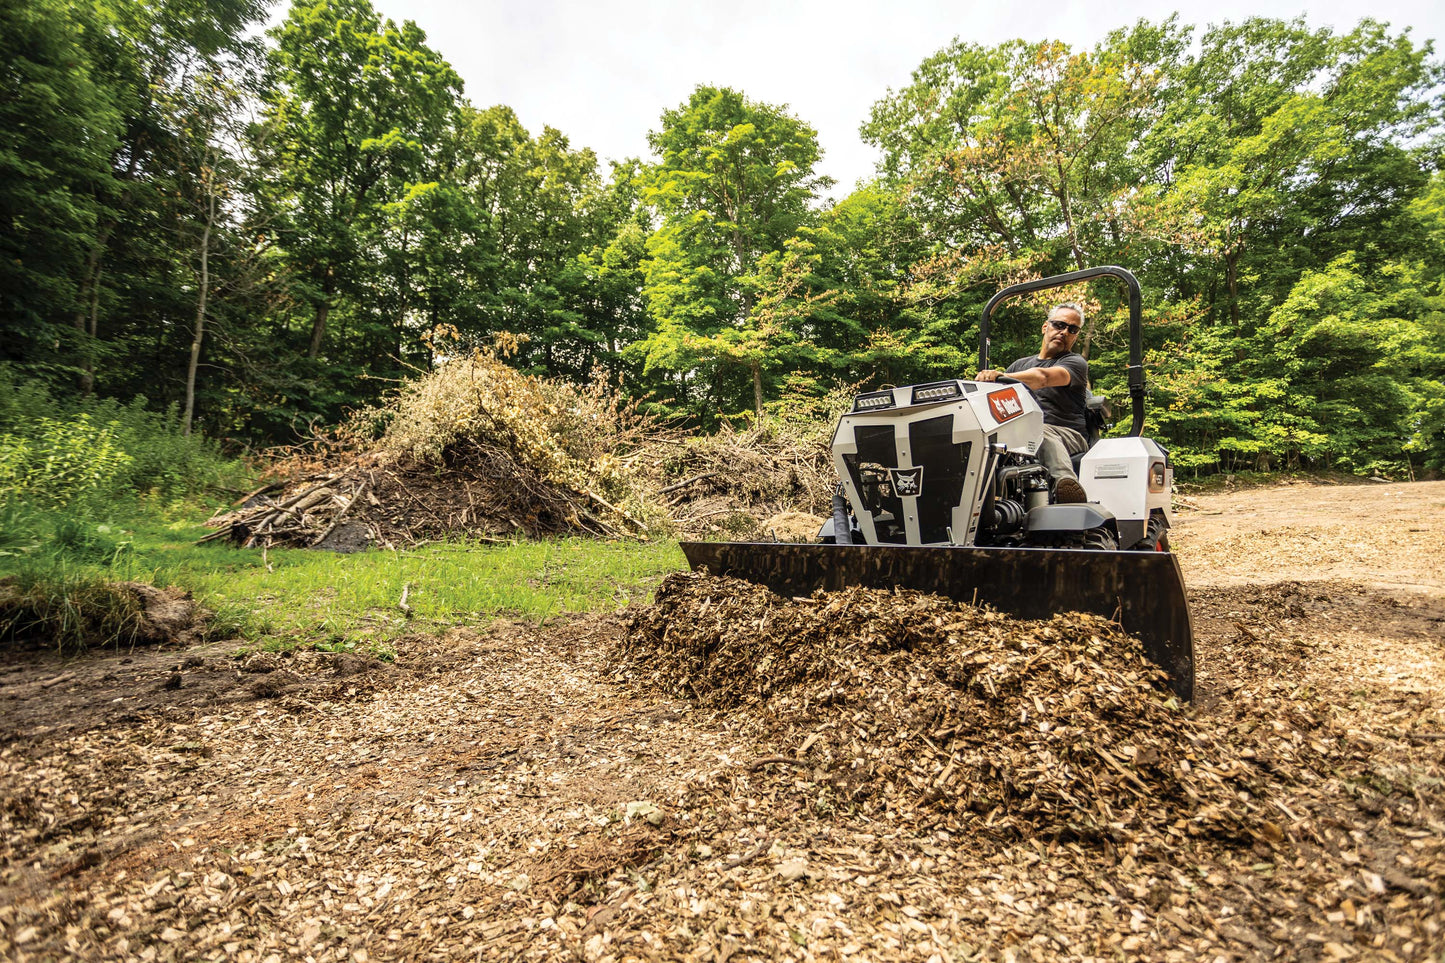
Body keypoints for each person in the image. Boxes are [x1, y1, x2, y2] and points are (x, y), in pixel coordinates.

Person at [975, 302, 1091, 504]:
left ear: (1076, 336)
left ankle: (1067, 487)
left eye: (1072, 329)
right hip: (1019, 435)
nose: (1064, 332)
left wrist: (1001, 375)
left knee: (1036, 430)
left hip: (1067, 434)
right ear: (1045, 327)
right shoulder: (1019, 365)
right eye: (1059, 325)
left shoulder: (1075, 363)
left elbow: (1043, 377)